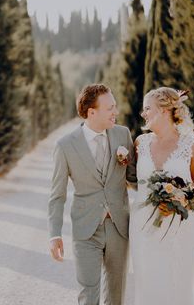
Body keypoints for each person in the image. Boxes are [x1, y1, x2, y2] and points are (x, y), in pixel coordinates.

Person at [48, 84, 137, 304]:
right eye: (110, 108)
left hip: (119, 227)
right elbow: (57, 194)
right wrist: (54, 233)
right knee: (88, 295)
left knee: (116, 296)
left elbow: (135, 177)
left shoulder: (122, 134)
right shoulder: (65, 145)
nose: (116, 112)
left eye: (115, 106)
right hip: (86, 229)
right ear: (91, 112)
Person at [130, 87, 194, 305]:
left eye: (148, 108)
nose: (143, 113)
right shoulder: (140, 143)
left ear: (164, 111)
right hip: (144, 228)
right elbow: (128, 179)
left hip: (179, 229)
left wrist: (181, 201)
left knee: (179, 285)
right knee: (148, 284)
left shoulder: (190, 146)